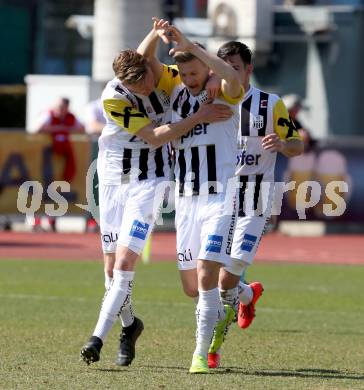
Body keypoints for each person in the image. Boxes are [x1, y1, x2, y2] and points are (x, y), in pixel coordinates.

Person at [79, 19, 233, 367]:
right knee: (109, 271)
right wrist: (201, 116)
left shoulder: (164, 76)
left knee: (124, 262)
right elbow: (156, 136)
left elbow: (197, 72)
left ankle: (96, 338)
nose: (149, 89)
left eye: (149, 80)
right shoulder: (113, 98)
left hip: (152, 181)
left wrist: (158, 33)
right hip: (113, 179)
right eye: (139, 86)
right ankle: (130, 325)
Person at [207, 41, 304, 369]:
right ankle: (248, 295)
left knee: (225, 278)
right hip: (217, 197)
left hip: (256, 197)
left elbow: (297, 144)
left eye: (234, 67)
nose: (227, 73)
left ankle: (212, 349)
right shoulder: (210, 101)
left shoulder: (269, 104)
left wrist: (282, 143)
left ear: (248, 69)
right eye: (222, 67)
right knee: (206, 278)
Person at [156, 26, 243, 373]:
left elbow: (232, 74)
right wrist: (159, 38)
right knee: (192, 288)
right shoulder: (176, 94)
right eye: (185, 73)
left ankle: (200, 354)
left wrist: (193, 46)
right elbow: (143, 67)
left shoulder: (223, 90)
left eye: (196, 72)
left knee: (207, 273)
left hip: (220, 193)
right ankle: (243, 294)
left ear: (208, 67)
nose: (190, 78)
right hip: (186, 198)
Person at [34, 97, 85, 232]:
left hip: (61, 160)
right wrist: (59, 128)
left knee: (57, 190)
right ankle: (37, 222)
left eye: (63, 107)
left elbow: (82, 128)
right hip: (46, 158)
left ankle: (52, 221)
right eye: (59, 107)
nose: (60, 110)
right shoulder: (48, 115)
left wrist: (65, 128)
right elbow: (39, 128)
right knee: (40, 189)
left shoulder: (70, 117)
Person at [84, 97, 107, 233]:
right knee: (94, 186)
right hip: (95, 151)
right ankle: (92, 220)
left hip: (115, 153)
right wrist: (116, 129)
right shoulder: (94, 106)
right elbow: (92, 126)